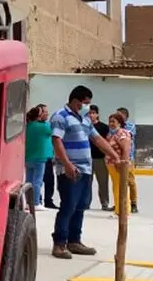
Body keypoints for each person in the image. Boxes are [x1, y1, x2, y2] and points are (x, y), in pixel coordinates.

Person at [49, 85, 122, 260]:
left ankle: (74, 241)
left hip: (86, 170)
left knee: (81, 205)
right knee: (68, 205)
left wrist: (114, 156)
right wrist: (66, 164)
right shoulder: (61, 116)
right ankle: (59, 243)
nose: (87, 107)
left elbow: (97, 139)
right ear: (76, 101)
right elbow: (57, 141)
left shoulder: (84, 119)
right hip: (70, 170)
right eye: (85, 103)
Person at [24, 105, 53, 209]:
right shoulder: (44, 127)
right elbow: (51, 132)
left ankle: (28, 202)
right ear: (39, 115)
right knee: (37, 181)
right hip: (40, 157)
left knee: (28, 180)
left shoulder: (28, 126)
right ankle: (36, 202)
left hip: (28, 156)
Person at [105, 112, 132, 218]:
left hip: (119, 164)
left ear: (120, 123)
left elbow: (126, 149)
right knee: (116, 187)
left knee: (121, 187)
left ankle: (123, 211)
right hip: (111, 164)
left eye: (114, 122)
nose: (111, 124)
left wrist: (123, 163)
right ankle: (118, 209)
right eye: (110, 121)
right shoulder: (111, 134)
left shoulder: (122, 134)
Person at [115, 107, 139, 214]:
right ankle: (120, 202)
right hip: (116, 158)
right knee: (118, 182)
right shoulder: (114, 126)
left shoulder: (130, 126)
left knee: (130, 181)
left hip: (128, 157)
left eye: (120, 115)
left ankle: (133, 203)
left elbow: (125, 136)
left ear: (125, 116)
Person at [87, 105, 111, 211]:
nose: (91, 115)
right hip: (87, 158)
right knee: (87, 182)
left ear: (97, 114)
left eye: (93, 113)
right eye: (89, 113)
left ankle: (104, 203)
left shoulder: (104, 127)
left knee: (103, 182)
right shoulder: (84, 126)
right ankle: (86, 203)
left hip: (100, 158)